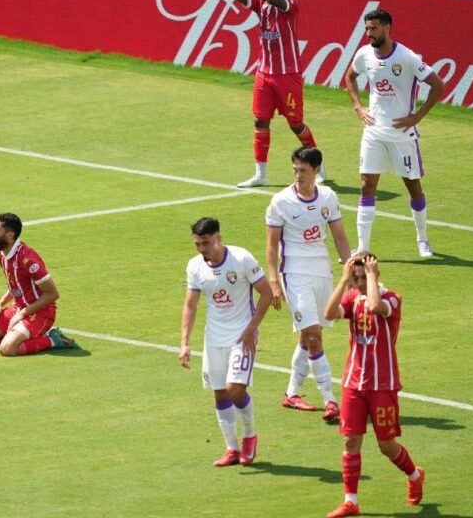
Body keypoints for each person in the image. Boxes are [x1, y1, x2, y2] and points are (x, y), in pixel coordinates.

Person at [322, 253, 425, 517]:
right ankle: (350, 502)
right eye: (354, 275)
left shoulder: (391, 298)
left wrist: (371, 277)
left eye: (359, 275)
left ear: (373, 272)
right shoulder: (352, 297)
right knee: (350, 441)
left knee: (386, 446)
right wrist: (343, 280)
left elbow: (377, 307)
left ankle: (414, 475)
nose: (355, 280)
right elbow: (329, 313)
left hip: (383, 385)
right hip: (353, 383)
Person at [343, 8, 446, 258]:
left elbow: (438, 85)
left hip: (402, 135)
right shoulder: (364, 54)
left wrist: (416, 117)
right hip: (374, 133)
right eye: (367, 28)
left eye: (374, 28)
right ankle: (363, 247)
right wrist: (358, 106)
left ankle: (422, 239)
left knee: (413, 188)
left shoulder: (407, 57)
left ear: (387, 28)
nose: (369, 33)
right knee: (367, 187)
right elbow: (350, 77)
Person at [265, 146, 351, 420]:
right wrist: (273, 282)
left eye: (303, 170)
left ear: (316, 170)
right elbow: (271, 246)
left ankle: (291, 393)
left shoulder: (328, 197)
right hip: (295, 274)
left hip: (321, 271)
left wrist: (350, 273)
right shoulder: (280, 202)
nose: (298, 175)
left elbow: (339, 237)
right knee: (314, 335)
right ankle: (330, 400)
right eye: (295, 170)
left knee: (308, 335)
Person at [180, 217, 274, 467]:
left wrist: (251, 329)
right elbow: (191, 304)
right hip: (214, 337)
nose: (202, 250)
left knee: (235, 390)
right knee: (220, 393)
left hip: (242, 335)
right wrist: (184, 343)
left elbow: (267, 293)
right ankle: (231, 448)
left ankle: (250, 436)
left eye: (206, 243)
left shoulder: (242, 259)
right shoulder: (195, 266)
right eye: (197, 244)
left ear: (218, 239)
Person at [230, 0, 324, 188]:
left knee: (296, 124)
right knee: (260, 120)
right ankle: (260, 175)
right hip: (264, 74)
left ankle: (320, 167)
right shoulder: (259, 3)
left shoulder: (288, 3)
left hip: (287, 75)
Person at [0, 213, 77, 356]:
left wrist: (22, 313)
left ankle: (54, 340)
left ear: (10, 235)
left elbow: (52, 294)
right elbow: (16, 286)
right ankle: (17, 338)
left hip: (41, 313)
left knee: (7, 349)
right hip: (18, 308)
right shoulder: (3, 255)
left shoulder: (28, 261)